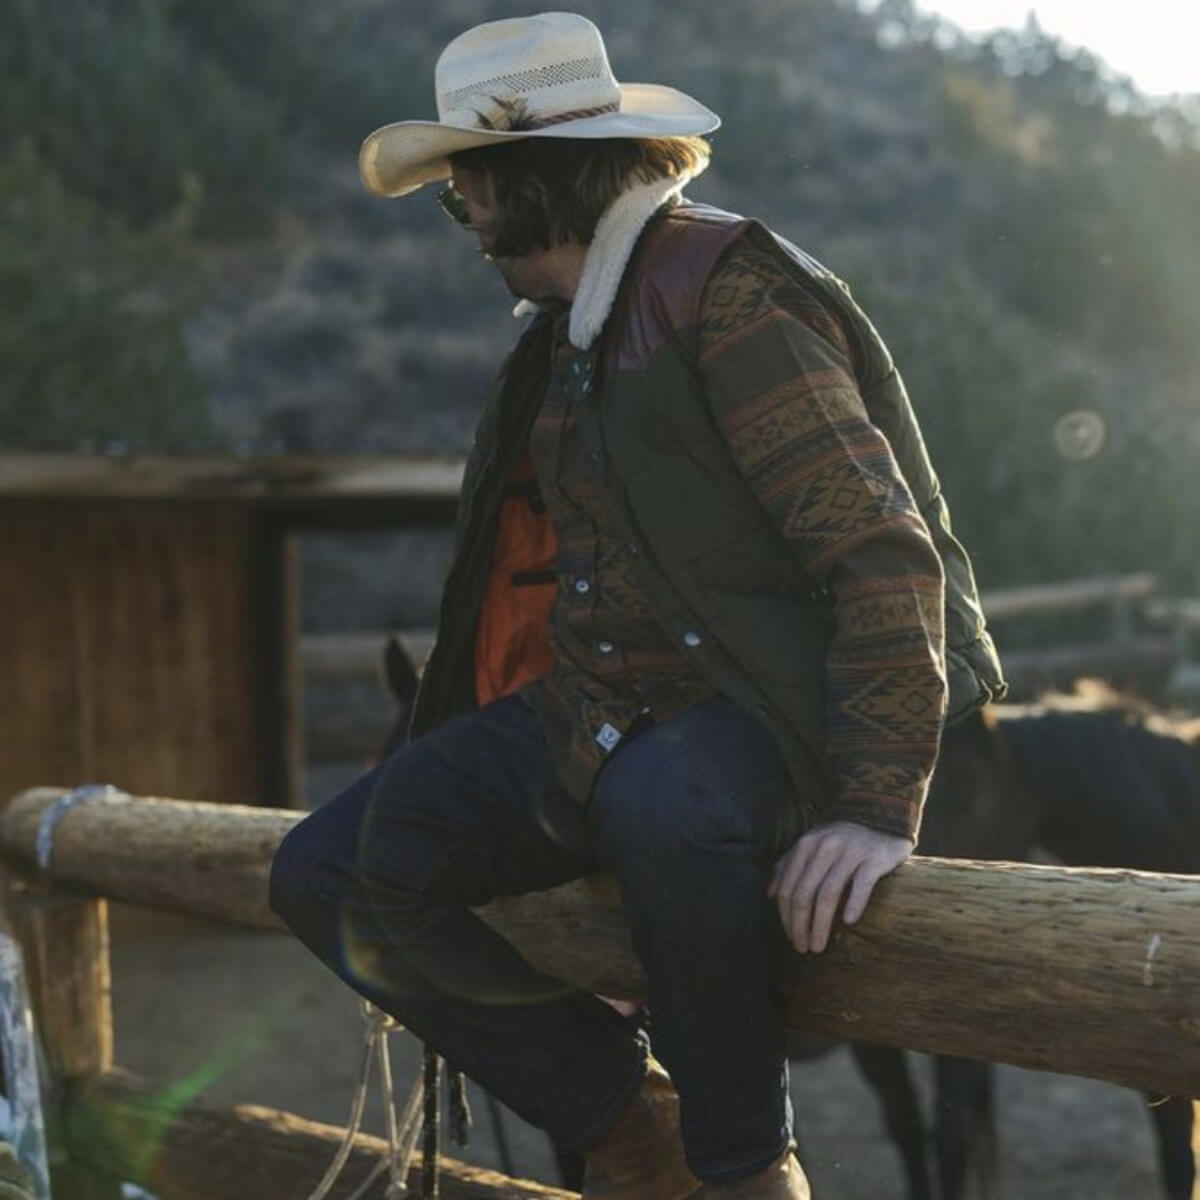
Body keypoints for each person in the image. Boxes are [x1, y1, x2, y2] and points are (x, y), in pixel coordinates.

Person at [269, 12, 1005, 1198]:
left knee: (669, 801)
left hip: (767, 709)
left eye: (468, 190)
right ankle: (623, 1112)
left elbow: (881, 555)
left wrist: (874, 807)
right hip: (606, 707)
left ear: (532, 178)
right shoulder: (557, 343)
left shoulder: (734, 295)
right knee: (333, 865)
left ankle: (744, 1169)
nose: (462, 220)